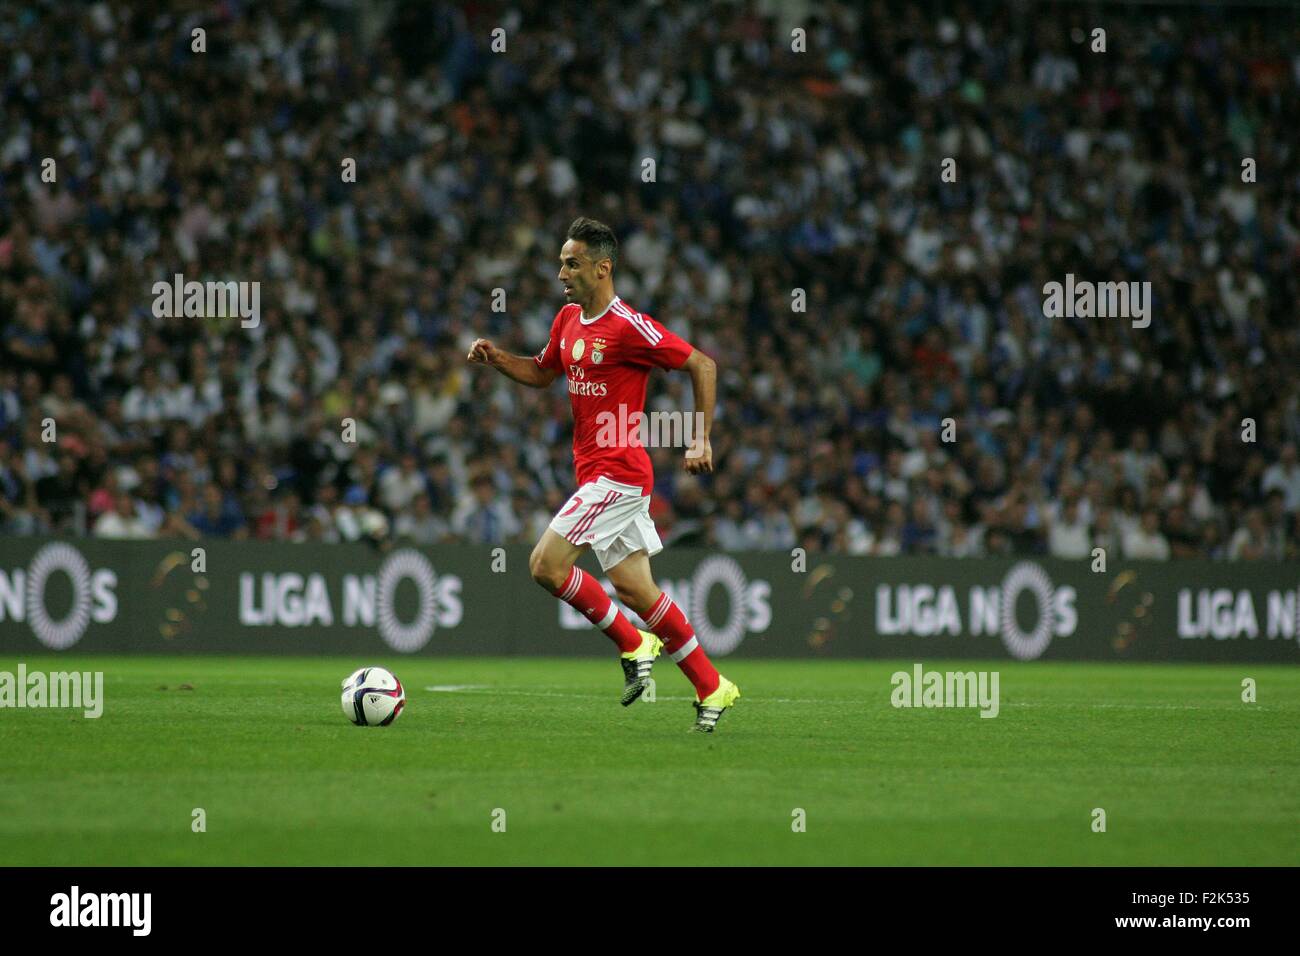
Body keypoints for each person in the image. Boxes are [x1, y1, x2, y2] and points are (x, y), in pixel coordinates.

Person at [466, 216, 740, 732]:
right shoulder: (567, 320)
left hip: (618, 474)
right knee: (636, 590)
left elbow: (703, 366)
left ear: (602, 268)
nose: (561, 272)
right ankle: (712, 686)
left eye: (572, 263)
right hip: (596, 474)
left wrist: (700, 436)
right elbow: (543, 374)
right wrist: (498, 358)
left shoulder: (629, 327)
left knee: (544, 565)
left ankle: (633, 642)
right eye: (560, 262)